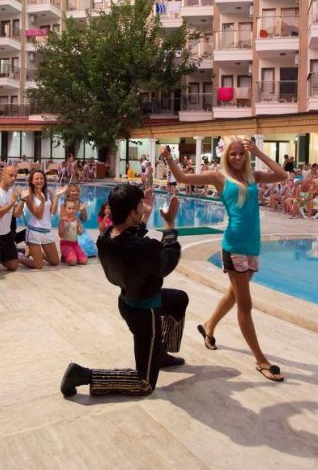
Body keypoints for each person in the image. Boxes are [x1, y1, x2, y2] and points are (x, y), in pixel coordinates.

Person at [162, 137, 288, 382]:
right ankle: (261, 360)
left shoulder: (253, 177)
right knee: (245, 305)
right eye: (233, 154)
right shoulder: (219, 177)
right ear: (226, 156)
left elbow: (282, 175)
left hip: (252, 246)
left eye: (241, 153)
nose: (237, 157)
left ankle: (209, 325)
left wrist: (258, 152)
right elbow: (183, 178)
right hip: (234, 247)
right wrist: (168, 157)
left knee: (234, 293)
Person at [59, 185, 186, 397]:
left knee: (178, 299)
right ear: (131, 213)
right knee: (144, 383)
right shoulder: (142, 248)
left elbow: (131, 237)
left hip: (128, 300)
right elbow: (166, 261)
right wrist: (170, 225)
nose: (143, 208)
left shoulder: (106, 237)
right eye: (140, 206)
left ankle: (159, 353)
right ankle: (82, 375)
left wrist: (146, 212)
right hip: (145, 312)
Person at [20, 170, 65, 269]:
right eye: (36, 179)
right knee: (38, 265)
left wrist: (56, 197)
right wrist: (42, 200)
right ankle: (19, 257)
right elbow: (38, 215)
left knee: (55, 261)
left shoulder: (48, 192)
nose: (39, 181)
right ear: (32, 181)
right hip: (34, 232)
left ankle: (33, 252)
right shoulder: (29, 194)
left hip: (46, 231)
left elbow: (52, 212)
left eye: (41, 178)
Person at [58, 201, 87, 266]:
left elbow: (79, 233)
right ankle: (65, 256)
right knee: (72, 262)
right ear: (65, 209)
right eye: (69, 208)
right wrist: (66, 227)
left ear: (76, 209)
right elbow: (60, 235)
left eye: (73, 208)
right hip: (65, 244)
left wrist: (80, 230)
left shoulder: (77, 220)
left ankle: (73, 254)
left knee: (84, 261)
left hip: (75, 244)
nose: (71, 210)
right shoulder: (62, 221)